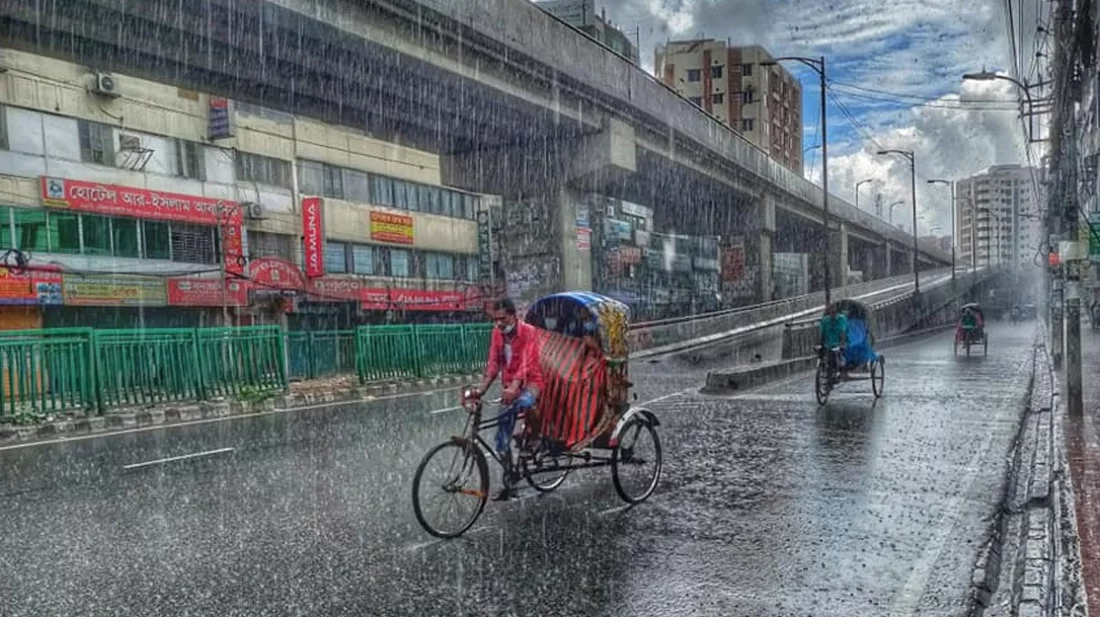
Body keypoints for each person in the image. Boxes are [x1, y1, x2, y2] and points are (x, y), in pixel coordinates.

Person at [473, 297, 543, 501]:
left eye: (502, 318)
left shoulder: (529, 332)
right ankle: (510, 480)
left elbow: (527, 364)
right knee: (501, 440)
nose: (498, 323)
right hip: (509, 387)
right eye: (495, 319)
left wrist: (515, 386)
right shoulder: (497, 334)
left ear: (513, 316)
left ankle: (535, 435)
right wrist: (481, 389)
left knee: (525, 402)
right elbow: (493, 363)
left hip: (531, 383)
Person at [819, 303, 848, 378]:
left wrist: (842, 343)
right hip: (828, 343)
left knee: (836, 354)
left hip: (839, 342)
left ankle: (838, 370)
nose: (833, 314)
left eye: (834, 313)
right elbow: (822, 333)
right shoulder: (825, 321)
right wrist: (820, 343)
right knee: (821, 353)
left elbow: (843, 332)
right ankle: (823, 369)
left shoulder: (841, 319)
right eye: (831, 313)